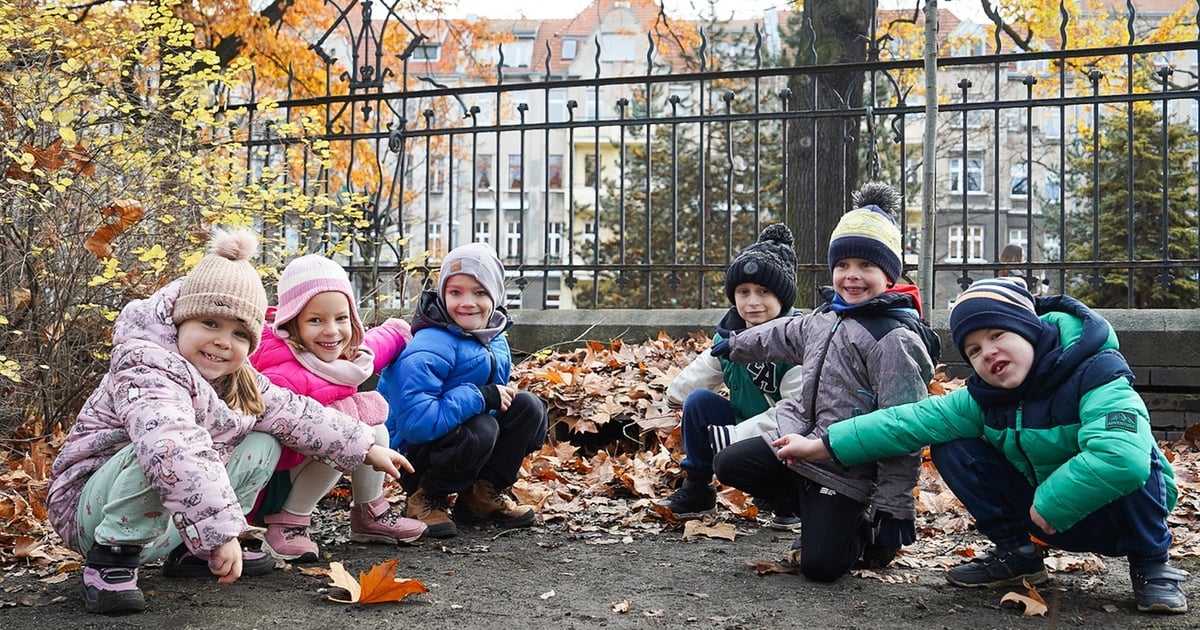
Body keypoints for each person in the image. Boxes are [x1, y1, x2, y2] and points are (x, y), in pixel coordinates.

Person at [47, 228, 415, 615]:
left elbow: (295, 412)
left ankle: (192, 551)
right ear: (180, 320)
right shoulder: (146, 366)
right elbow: (173, 446)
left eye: (240, 333)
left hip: (165, 518)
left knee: (264, 440)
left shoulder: (235, 377)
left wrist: (364, 446)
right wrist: (220, 533)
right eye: (210, 324)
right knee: (163, 447)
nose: (224, 341)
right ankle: (112, 561)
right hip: (92, 513)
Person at [774, 277, 1188, 614]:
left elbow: (1121, 458)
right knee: (951, 441)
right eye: (974, 350)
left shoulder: (1096, 372)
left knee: (1141, 458)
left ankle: (1153, 566)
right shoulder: (982, 398)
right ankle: (1017, 554)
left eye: (998, 334)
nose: (988, 353)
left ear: (1030, 329)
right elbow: (905, 422)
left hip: (1111, 518)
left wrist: (1050, 505)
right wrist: (820, 446)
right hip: (1041, 521)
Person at [710, 182, 941, 582]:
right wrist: (736, 344)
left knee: (821, 568)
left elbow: (903, 426)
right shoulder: (825, 317)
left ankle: (863, 527)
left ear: (889, 274)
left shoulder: (894, 338)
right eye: (843, 265)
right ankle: (807, 507)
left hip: (847, 469)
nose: (852, 276)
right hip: (800, 441)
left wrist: (894, 504)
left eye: (866, 266)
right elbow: (781, 334)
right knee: (730, 463)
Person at [248, 254, 427, 562]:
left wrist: (398, 334)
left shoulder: (335, 356)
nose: (332, 331)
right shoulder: (281, 370)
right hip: (264, 486)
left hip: (294, 467)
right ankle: (287, 525)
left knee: (373, 429)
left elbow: (374, 348)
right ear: (292, 323)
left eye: (341, 318)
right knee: (339, 430)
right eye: (316, 320)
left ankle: (368, 513)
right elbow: (309, 431)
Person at [378, 242, 548, 538]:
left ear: (495, 296)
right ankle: (426, 497)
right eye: (455, 292)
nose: (467, 302)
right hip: (412, 455)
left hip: (458, 438)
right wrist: (479, 397)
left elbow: (497, 406)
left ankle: (481, 496)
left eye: (479, 293)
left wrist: (492, 401)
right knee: (480, 426)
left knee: (528, 408)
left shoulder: (492, 336)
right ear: (443, 294)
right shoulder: (430, 345)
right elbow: (417, 424)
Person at [658, 224, 804, 531]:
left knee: (777, 452)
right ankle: (698, 487)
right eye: (744, 292)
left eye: (764, 292)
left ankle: (785, 497)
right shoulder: (730, 334)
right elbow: (706, 368)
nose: (753, 302)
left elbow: (796, 412)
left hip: (787, 436)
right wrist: (674, 395)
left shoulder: (795, 344)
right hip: (744, 421)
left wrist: (737, 437)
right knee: (698, 401)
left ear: (784, 298)